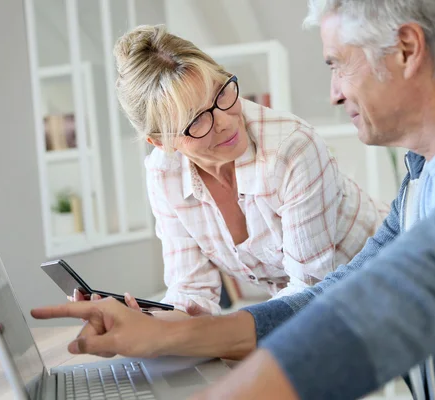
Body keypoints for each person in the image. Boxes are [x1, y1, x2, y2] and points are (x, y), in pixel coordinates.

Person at [32, 0, 435, 399]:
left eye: (337, 64)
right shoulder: (421, 177)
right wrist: (160, 333)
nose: (334, 92)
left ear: (405, 49)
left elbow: (416, 288)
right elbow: (329, 297)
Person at [71, 24, 387, 317]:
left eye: (221, 92)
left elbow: (310, 287)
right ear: (161, 142)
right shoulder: (163, 173)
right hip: (319, 311)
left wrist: (223, 331)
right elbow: (191, 290)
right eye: (196, 120)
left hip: (386, 279)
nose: (224, 121)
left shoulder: (290, 148)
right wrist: (146, 321)